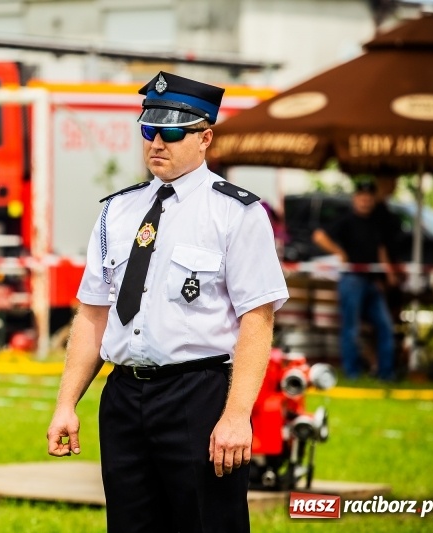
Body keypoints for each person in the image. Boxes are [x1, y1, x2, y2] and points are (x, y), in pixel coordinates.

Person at [46, 71, 289, 533]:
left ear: (205, 138)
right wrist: (66, 404)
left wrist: (237, 417)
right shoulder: (115, 210)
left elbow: (257, 319)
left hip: (196, 394)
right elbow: (94, 313)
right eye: (148, 129)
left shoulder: (235, 212)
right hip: (123, 396)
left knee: (207, 521)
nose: (157, 141)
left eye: (173, 131)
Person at [313, 178, 396, 380]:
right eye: (362, 197)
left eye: (369, 198)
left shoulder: (377, 222)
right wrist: (339, 252)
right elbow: (319, 236)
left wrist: (387, 273)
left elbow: (380, 250)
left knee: (385, 326)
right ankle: (353, 372)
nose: (365, 201)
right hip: (352, 279)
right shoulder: (346, 220)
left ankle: (385, 373)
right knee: (351, 328)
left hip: (372, 281)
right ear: (355, 199)